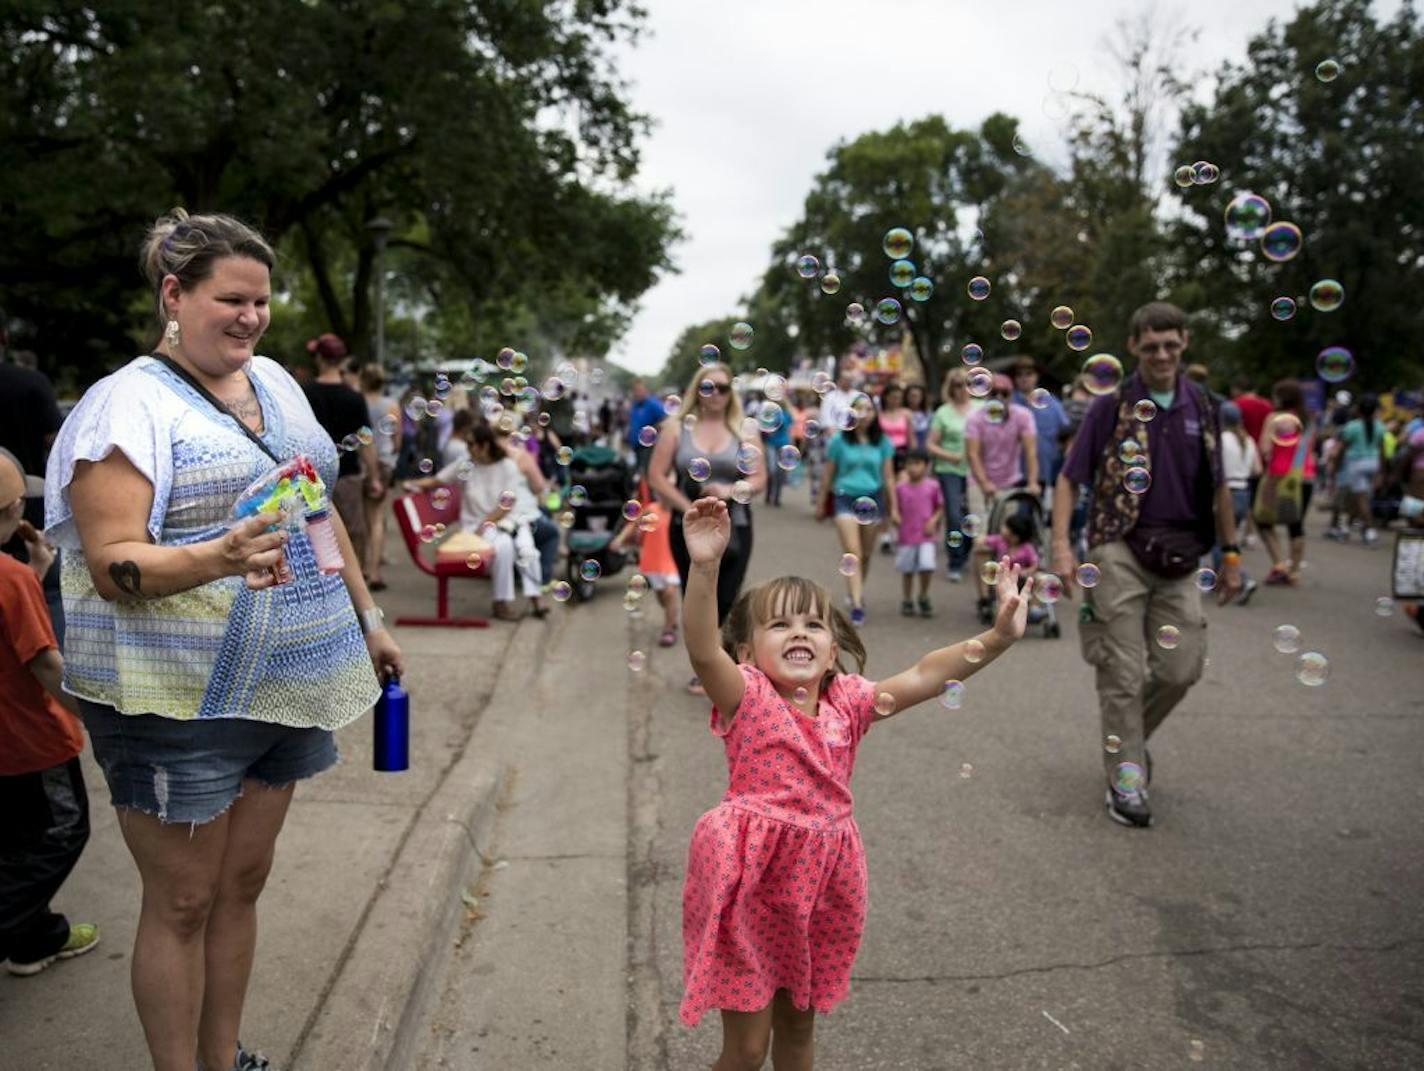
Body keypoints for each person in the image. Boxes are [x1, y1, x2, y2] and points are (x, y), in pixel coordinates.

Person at [45, 209, 402, 1071]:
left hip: (288, 682)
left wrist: (369, 617)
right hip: (173, 699)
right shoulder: (123, 407)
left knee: (241, 885)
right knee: (183, 900)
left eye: (262, 302)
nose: (250, 317)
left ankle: (222, 1056)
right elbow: (111, 559)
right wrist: (216, 555)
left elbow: (316, 508)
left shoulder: (275, 383)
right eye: (230, 299)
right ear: (175, 294)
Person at [676, 496, 1028, 1068]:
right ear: (746, 652)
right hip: (748, 878)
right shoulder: (748, 695)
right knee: (745, 1050)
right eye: (780, 623)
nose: (801, 632)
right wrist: (706, 566)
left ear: (833, 650)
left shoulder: (849, 702)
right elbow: (699, 646)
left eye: (814, 623)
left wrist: (997, 638)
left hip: (820, 885)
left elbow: (925, 673)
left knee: (797, 1029)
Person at [1051, 301, 1242, 829]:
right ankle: (1126, 775)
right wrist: (1063, 548)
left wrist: (1230, 554)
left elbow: (1221, 487)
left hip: (1182, 554)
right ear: (1134, 347)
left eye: (1171, 344)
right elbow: (1070, 478)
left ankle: (1129, 743)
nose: (1162, 354)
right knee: (1122, 671)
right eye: (1151, 345)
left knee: (1182, 669)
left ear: (1184, 343)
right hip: (1118, 547)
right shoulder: (1110, 406)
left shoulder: (1203, 407)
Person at [0, 448, 98, 978]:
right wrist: (96, 720)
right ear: (17, 510)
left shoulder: (16, 579)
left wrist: (34, 573)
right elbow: (44, 666)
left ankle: (37, 937)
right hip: (30, 743)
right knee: (60, 835)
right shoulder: (9, 579)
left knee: (15, 842)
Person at [647, 362, 766, 694]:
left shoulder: (744, 429)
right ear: (696, 390)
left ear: (732, 393)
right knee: (697, 595)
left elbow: (759, 478)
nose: (716, 394)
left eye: (724, 388)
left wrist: (728, 492)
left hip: (736, 523)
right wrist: (690, 511)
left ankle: (721, 664)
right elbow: (656, 476)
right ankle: (708, 668)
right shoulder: (675, 428)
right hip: (686, 528)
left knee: (727, 596)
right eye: (708, 387)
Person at [405, 418, 548, 620]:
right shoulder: (465, 465)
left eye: (472, 444)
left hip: (503, 521)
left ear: (485, 445)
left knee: (527, 551)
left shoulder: (507, 466)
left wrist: (487, 522)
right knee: (505, 546)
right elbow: (436, 480)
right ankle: (502, 603)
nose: (468, 448)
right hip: (476, 527)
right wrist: (412, 484)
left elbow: (506, 503)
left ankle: (528, 600)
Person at [0, 319, 67, 641]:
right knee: (45, 598)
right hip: (27, 513)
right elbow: (59, 447)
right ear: (5, 338)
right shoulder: (30, 383)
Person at [303, 333, 383, 581]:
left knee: (314, 536)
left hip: (310, 478)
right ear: (341, 360)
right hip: (347, 474)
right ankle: (353, 585)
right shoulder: (354, 397)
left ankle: (320, 583)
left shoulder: (305, 392)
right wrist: (374, 476)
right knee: (352, 533)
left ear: (318, 358)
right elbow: (365, 442)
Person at [821, 395, 897, 628]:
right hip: (844, 498)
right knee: (852, 553)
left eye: (868, 409)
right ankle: (856, 604)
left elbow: (888, 477)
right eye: (859, 408)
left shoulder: (882, 441)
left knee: (865, 554)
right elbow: (828, 473)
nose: (864, 413)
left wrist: (894, 508)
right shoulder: (838, 441)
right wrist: (821, 503)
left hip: (873, 499)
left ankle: (856, 591)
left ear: (875, 414)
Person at [1254, 379, 1318, 585]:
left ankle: (1280, 564)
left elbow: (1265, 448)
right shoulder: (1308, 420)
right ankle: (1295, 572)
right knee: (1296, 524)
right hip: (1305, 476)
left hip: (1277, 476)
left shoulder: (1274, 417)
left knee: (1263, 520)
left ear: (1281, 397)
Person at [608, 477, 682, 648]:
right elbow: (633, 526)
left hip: (672, 561)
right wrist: (620, 539)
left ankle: (668, 629)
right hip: (653, 561)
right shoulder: (651, 510)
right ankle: (671, 616)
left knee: (670, 593)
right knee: (662, 596)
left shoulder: (678, 514)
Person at [928, 368, 977, 581]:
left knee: (972, 515)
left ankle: (965, 552)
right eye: (957, 384)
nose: (961, 389)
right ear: (950, 388)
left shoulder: (981, 409)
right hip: (949, 469)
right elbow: (930, 444)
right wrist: (950, 456)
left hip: (976, 469)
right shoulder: (943, 412)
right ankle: (955, 561)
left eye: (966, 383)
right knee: (954, 515)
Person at [965, 373, 1039, 509]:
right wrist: (984, 483)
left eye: (1004, 393)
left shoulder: (1023, 416)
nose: (999, 397)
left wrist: (1033, 482)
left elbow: (1030, 451)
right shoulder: (975, 418)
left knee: (1007, 528)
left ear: (1011, 396)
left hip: (1010, 481)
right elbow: (972, 454)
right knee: (980, 528)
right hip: (978, 480)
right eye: (994, 393)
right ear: (987, 394)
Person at [359, 364, 401, 591]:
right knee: (377, 518)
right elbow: (397, 441)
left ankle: (365, 566)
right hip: (384, 463)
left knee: (364, 517)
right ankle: (374, 571)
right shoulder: (391, 405)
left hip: (362, 465)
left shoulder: (358, 401)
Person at [1216, 402, 1260, 604]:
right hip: (1244, 492)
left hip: (1227, 493)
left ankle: (1242, 578)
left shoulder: (1222, 439)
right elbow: (1256, 470)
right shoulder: (1247, 440)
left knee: (1220, 541)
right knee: (1231, 539)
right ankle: (1227, 579)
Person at [1327, 393, 1385, 545]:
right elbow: (1382, 450)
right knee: (1362, 498)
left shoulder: (1352, 426)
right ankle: (1349, 527)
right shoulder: (1380, 426)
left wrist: (1335, 466)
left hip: (1356, 464)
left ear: (1358, 410)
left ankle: (1369, 530)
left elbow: (1341, 449)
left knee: (1360, 499)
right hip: (1373, 463)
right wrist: (1381, 472)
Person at [895, 448, 943, 617]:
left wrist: (933, 520)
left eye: (917, 464)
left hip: (926, 536)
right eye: (909, 464)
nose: (913, 468)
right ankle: (907, 598)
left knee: (927, 566)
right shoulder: (900, 488)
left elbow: (940, 507)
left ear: (926, 466)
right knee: (907, 570)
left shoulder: (933, 486)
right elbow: (895, 509)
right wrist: (895, 517)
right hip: (906, 536)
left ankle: (923, 594)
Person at [1010, 357, 1069, 494]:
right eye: (1019, 374)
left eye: (1029, 373)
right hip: (1013, 471)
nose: (1024, 378)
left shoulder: (1052, 402)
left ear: (1037, 376)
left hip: (1043, 469)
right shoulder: (1008, 401)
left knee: (1037, 512)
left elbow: (1066, 431)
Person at [626, 378, 666, 472]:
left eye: (640, 390)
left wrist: (654, 431)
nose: (637, 393)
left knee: (644, 472)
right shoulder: (635, 404)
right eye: (635, 390)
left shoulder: (653, 404)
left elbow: (665, 420)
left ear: (646, 391)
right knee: (636, 472)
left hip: (648, 447)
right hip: (636, 446)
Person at [903, 383, 932, 451]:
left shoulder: (928, 415)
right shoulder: (900, 413)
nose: (914, 399)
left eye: (917, 396)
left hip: (924, 452)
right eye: (912, 396)